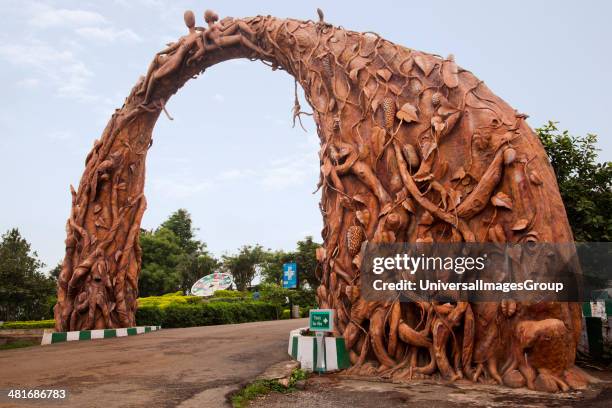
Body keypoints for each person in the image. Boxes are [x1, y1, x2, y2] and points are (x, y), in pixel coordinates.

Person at [138, 10, 205, 104]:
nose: (188, 21)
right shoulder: (184, 37)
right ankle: (144, 87)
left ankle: (146, 100)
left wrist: (192, 59)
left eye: (189, 18)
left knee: (154, 77)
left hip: (175, 62)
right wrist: (159, 52)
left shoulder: (198, 36)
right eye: (187, 19)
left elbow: (202, 49)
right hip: (171, 58)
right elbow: (172, 48)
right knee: (156, 59)